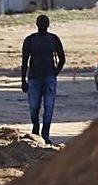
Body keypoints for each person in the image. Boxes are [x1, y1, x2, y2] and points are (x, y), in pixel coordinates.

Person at [20, 14, 65, 144]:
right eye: (41, 22)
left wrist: (55, 73)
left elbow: (62, 59)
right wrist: (23, 80)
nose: (43, 24)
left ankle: (45, 134)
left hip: (49, 78)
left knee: (49, 107)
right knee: (34, 107)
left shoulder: (54, 39)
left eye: (44, 22)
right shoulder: (30, 40)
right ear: (37, 24)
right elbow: (24, 62)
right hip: (34, 78)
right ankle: (35, 128)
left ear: (48, 24)